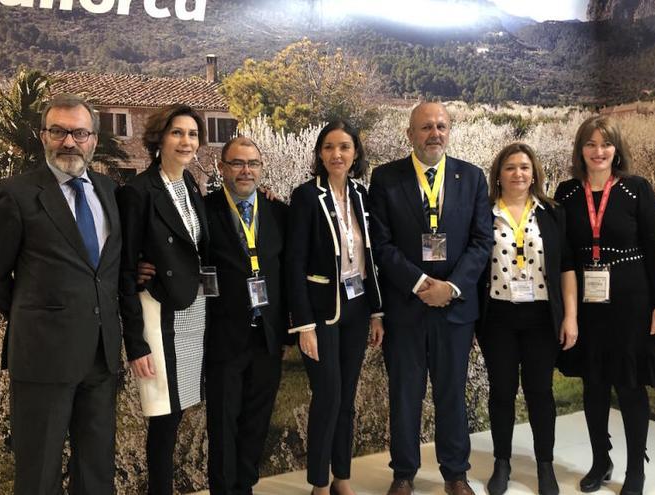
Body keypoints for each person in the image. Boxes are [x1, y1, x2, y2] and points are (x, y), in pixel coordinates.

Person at [0, 94, 121, 494]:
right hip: (42, 358)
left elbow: (106, 268)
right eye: (58, 131)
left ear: (93, 139)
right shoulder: (15, 194)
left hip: (101, 356)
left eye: (78, 133)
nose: (68, 142)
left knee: (97, 473)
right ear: (43, 136)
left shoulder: (108, 191)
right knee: (39, 476)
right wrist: (39, 315)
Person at [368, 102, 494, 495]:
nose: (434, 133)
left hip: (455, 310)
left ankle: (455, 474)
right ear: (410, 134)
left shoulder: (471, 178)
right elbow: (381, 244)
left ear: (449, 130)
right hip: (406, 308)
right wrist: (422, 283)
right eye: (425, 127)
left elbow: (481, 241)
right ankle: (403, 473)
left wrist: (451, 287)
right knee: (404, 394)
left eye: (441, 126)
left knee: (451, 393)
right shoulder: (386, 178)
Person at [555, 116, 655, 495]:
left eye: (605, 144)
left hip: (631, 303)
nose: (598, 151)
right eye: (590, 144)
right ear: (580, 150)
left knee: (630, 386)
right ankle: (600, 460)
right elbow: (564, 255)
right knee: (594, 385)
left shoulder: (638, 190)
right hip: (587, 305)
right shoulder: (567, 193)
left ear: (616, 149)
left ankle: (635, 469)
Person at [286, 120, 385, 495]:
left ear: (355, 152)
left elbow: (369, 257)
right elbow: (294, 264)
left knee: (346, 398)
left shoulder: (362, 195)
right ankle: (319, 484)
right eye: (329, 147)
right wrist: (304, 325)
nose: (336, 154)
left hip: (357, 311)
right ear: (319, 153)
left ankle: (342, 477)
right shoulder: (306, 197)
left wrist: (377, 313)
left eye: (344, 146)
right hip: (321, 313)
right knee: (327, 396)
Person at [117, 104, 210, 495]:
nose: (186, 141)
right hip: (156, 314)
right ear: (159, 138)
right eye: (177, 133)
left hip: (192, 311)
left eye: (192, 134)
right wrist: (134, 343)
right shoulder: (138, 191)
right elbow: (124, 269)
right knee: (162, 416)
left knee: (177, 413)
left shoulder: (191, 184)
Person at [476, 143, 578, 495]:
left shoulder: (552, 212)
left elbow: (566, 266)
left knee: (540, 392)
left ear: (534, 173)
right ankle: (501, 462)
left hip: (540, 317)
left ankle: (544, 465)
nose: (518, 173)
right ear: (498, 175)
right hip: (498, 317)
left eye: (524, 167)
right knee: (501, 392)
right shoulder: (484, 213)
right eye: (510, 167)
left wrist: (571, 317)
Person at [204, 136, 290, 494]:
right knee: (223, 423)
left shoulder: (278, 212)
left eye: (252, 163)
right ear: (221, 167)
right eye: (237, 163)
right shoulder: (203, 211)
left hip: (267, 336)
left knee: (257, 421)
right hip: (224, 336)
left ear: (261, 168)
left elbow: (290, 270)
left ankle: (246, 485)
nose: (245, 170)